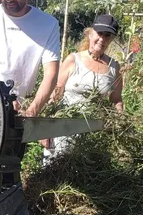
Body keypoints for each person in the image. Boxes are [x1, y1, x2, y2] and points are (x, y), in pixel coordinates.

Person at [42, 14, 123, 161]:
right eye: (99, 33)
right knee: (56, 171)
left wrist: (119, 121)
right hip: (63, 129)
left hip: (92, 134)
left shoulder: (114, 67)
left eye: (107, 35)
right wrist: (46, 129)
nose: (102, 39)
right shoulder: (74, 60)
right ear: (90, 33)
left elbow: (116, 99)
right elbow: (56, 94)